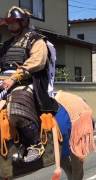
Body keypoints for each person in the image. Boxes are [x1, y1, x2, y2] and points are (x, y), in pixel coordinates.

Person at [0, 6, 58, 162]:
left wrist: (14, 78)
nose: (10, 25)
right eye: (9, 22)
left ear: (23, 22)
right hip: (3, 82)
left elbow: (37, 62)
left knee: (16, 108)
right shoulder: (6, 45)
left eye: (14, 22)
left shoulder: (36, 40)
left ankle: (35, 144)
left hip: (27, 81)